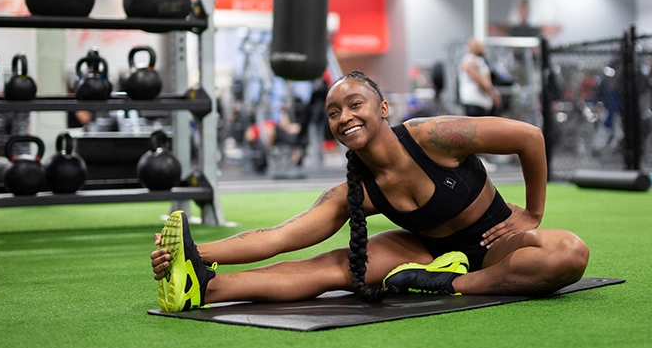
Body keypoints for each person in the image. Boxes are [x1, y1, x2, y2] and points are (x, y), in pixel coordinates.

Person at [150, 71, 589, 311]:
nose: (344, 117)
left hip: (495, 240)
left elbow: (529, 137)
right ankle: (206, 290)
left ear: (382, 108)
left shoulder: (433, 137)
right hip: (424, 248)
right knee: (335, 269)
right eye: (333, 112)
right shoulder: (353, 192)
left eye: (354, 104)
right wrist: (194, 251)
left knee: (568, 254)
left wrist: (532, 213)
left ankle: (455, 284)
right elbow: (280, 236)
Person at [458, 38, 501, 117]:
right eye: (480, 46)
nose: (483, 48)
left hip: (482, 102)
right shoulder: (469, 60)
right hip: (474, 101)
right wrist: (492, 92)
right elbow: (479, 80)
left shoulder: (479, 61)